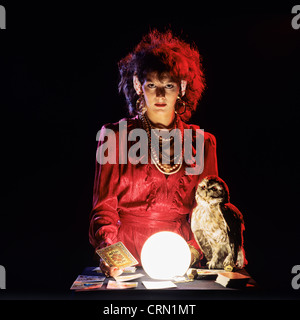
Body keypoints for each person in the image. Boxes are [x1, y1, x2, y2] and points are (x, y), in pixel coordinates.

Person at [89, 30, 218, 277]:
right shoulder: (114, 137)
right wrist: (110, 252)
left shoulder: (202, 143)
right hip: (126, 259)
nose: (160, 95)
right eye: (152, 85)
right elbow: (103, 209)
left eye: (168, 85)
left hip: (178, 258)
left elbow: (208, 213)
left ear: (181, 87)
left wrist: (190, 253)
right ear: (138, 85)